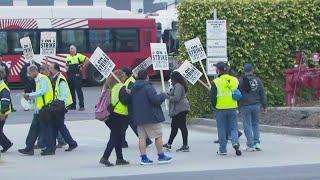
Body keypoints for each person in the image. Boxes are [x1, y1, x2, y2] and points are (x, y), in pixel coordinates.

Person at [131, 70, 172, 165]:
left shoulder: (134, 87)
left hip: (139, 117)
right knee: (158, 136)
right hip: (151, 116)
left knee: (142, 138)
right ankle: (161, 156)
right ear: (147, 77)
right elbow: (156, 100)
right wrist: (163, 95)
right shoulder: (148, 87)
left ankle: (144, 158)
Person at [41, 63, 78, 155]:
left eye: (51, 68)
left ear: (56, 69)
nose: (49, 69)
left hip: (60, 106)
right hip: (58, 106)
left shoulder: (60, 79)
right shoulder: (55, 78)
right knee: (57, 126)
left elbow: (63, 94)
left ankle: (54, 146)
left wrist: (58, 105)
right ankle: (69, 143)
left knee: (57, 125)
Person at [18, 65, 53, 155]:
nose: (29, 75)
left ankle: (50, 148)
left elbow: (43, 91)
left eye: (29, 73)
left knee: (46, 129)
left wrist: (30, 95)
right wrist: (29, 97)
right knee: (34, 128)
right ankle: (29, 148)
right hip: (39, 109)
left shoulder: (42, 78)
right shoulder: (38, 79)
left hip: (45, 108)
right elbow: (39, 95)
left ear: (34, 71)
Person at [99, 70, 130, 167]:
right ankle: (105, 157)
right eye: (124, 76)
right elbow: (125, 100)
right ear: (121, 77)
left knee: (117, 137)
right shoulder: (121, 87)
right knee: (114, 137)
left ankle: (119, 158)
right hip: (120, 114)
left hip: (113, 114)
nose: (125, 77)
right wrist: (130, 94)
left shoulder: (113, 87)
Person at [211, 62, 242, 156]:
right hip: (232, 106)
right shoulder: (235, 80)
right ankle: (235, 142)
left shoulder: (216, 82)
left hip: (220, 108)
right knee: (233, 127)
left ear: (218, 70)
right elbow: (238, 93)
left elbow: (213, 97)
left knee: (221, 129)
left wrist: (214, 106)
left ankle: (223, 149)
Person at [35, 64, 67, 149]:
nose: (41, 71)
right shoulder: (44, 78)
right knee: (51, 124)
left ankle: (44, 142)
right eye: (40, 69)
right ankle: (43, 142)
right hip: (49, 105)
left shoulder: (50, 79)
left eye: (43, 69)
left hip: (52, 105)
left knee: (52, 124)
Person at [121, 67, 152, 148]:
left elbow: (131, 93)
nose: (121, 75)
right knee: (125, 125)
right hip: (128, 106)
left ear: (126, 74)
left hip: (130, 106)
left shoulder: (131, 81)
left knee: (131, 124)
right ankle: (122, 142)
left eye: (122, 73)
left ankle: (146, 140)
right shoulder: (128, 80)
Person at [239, 63, 267, 152]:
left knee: (247, 125)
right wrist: (264, 105)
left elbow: (238, 94)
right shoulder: (258, 80)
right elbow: (262, 93)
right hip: (256, 105)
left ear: (244, 71)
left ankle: (250, 145)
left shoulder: (241, 81)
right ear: (253, 70)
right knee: (255, 124)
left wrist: (237, 105)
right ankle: (257, 143)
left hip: (245, 106)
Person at [163, 71, 190, 152]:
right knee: (174, 127)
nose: (171, 80)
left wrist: (167, 96)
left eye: (171, 78)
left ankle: (185, 145)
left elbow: (176, 98)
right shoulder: (178, 85)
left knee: (182, 127)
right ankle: (169, 144)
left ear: (175, 78)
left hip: (180, 109)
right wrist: (167, 94)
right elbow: (173, 94)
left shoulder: (178, 85)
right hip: (179, 109)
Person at [65, 45, 88, 111]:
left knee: (78, 91)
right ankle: (73, 105)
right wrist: (66, 67)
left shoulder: (79, 56)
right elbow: (66, 64)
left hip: (77, 75)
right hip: (70, 75)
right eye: (70, 49)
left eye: (72, 49)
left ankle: (81, 106)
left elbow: (87, 60)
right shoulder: (68, 56)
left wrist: (82, 66)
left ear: (75, 49)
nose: (71, 50)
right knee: (71, 91)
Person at [0, 67, 13, 154]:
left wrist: (3, 114)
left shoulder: (3, 87)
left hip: (1, 113)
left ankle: (7, 144)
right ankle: (6, 144)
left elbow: (5, 101)